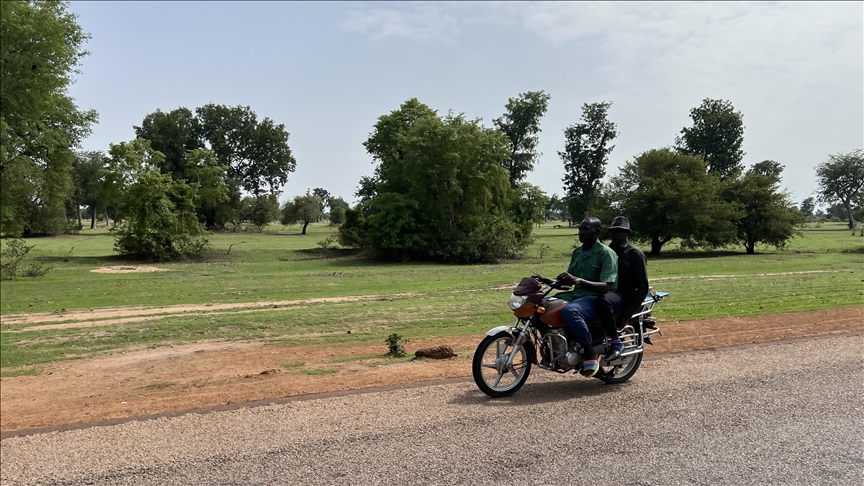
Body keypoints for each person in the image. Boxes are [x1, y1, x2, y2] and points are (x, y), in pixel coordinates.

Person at [555, 217, 618, 377]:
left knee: (571, 311)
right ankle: (558, 346)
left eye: (585, 229)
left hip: (594, 297)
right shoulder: (577, 252)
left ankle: (589, 350)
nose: (581, 233)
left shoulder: (606, 254)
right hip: (576, 294)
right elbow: (570, 282)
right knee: (544, 305)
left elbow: (605, 287)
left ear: (597, 231)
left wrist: (578, 280)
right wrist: (548, 280)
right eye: (580, 229)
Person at [594, 216, 649, 361]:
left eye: (620, 231)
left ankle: (615, 342)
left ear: (627, 233)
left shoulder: (634, 254)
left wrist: (626, 316)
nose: (616, 234)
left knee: (602, 301)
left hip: (624, 294)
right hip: (608, 291)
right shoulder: (606, 251)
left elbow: (643, 287)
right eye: (613, 231)